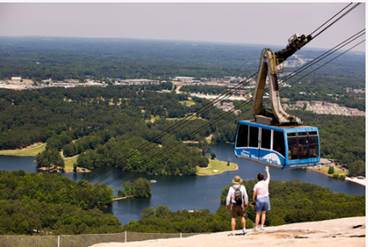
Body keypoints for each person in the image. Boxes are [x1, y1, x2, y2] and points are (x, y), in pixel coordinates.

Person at [253, 166, 271, 231]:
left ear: (257, 178)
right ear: (263, 178)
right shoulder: (266, 182)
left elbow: (254, 194)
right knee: (264, 213)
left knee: (258, 214)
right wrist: (267, 170)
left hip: (259, 199)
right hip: (266, 198)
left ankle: (256, 227)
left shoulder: (256, 185)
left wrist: (254, 200)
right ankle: (262, 226)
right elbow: (269, 177)